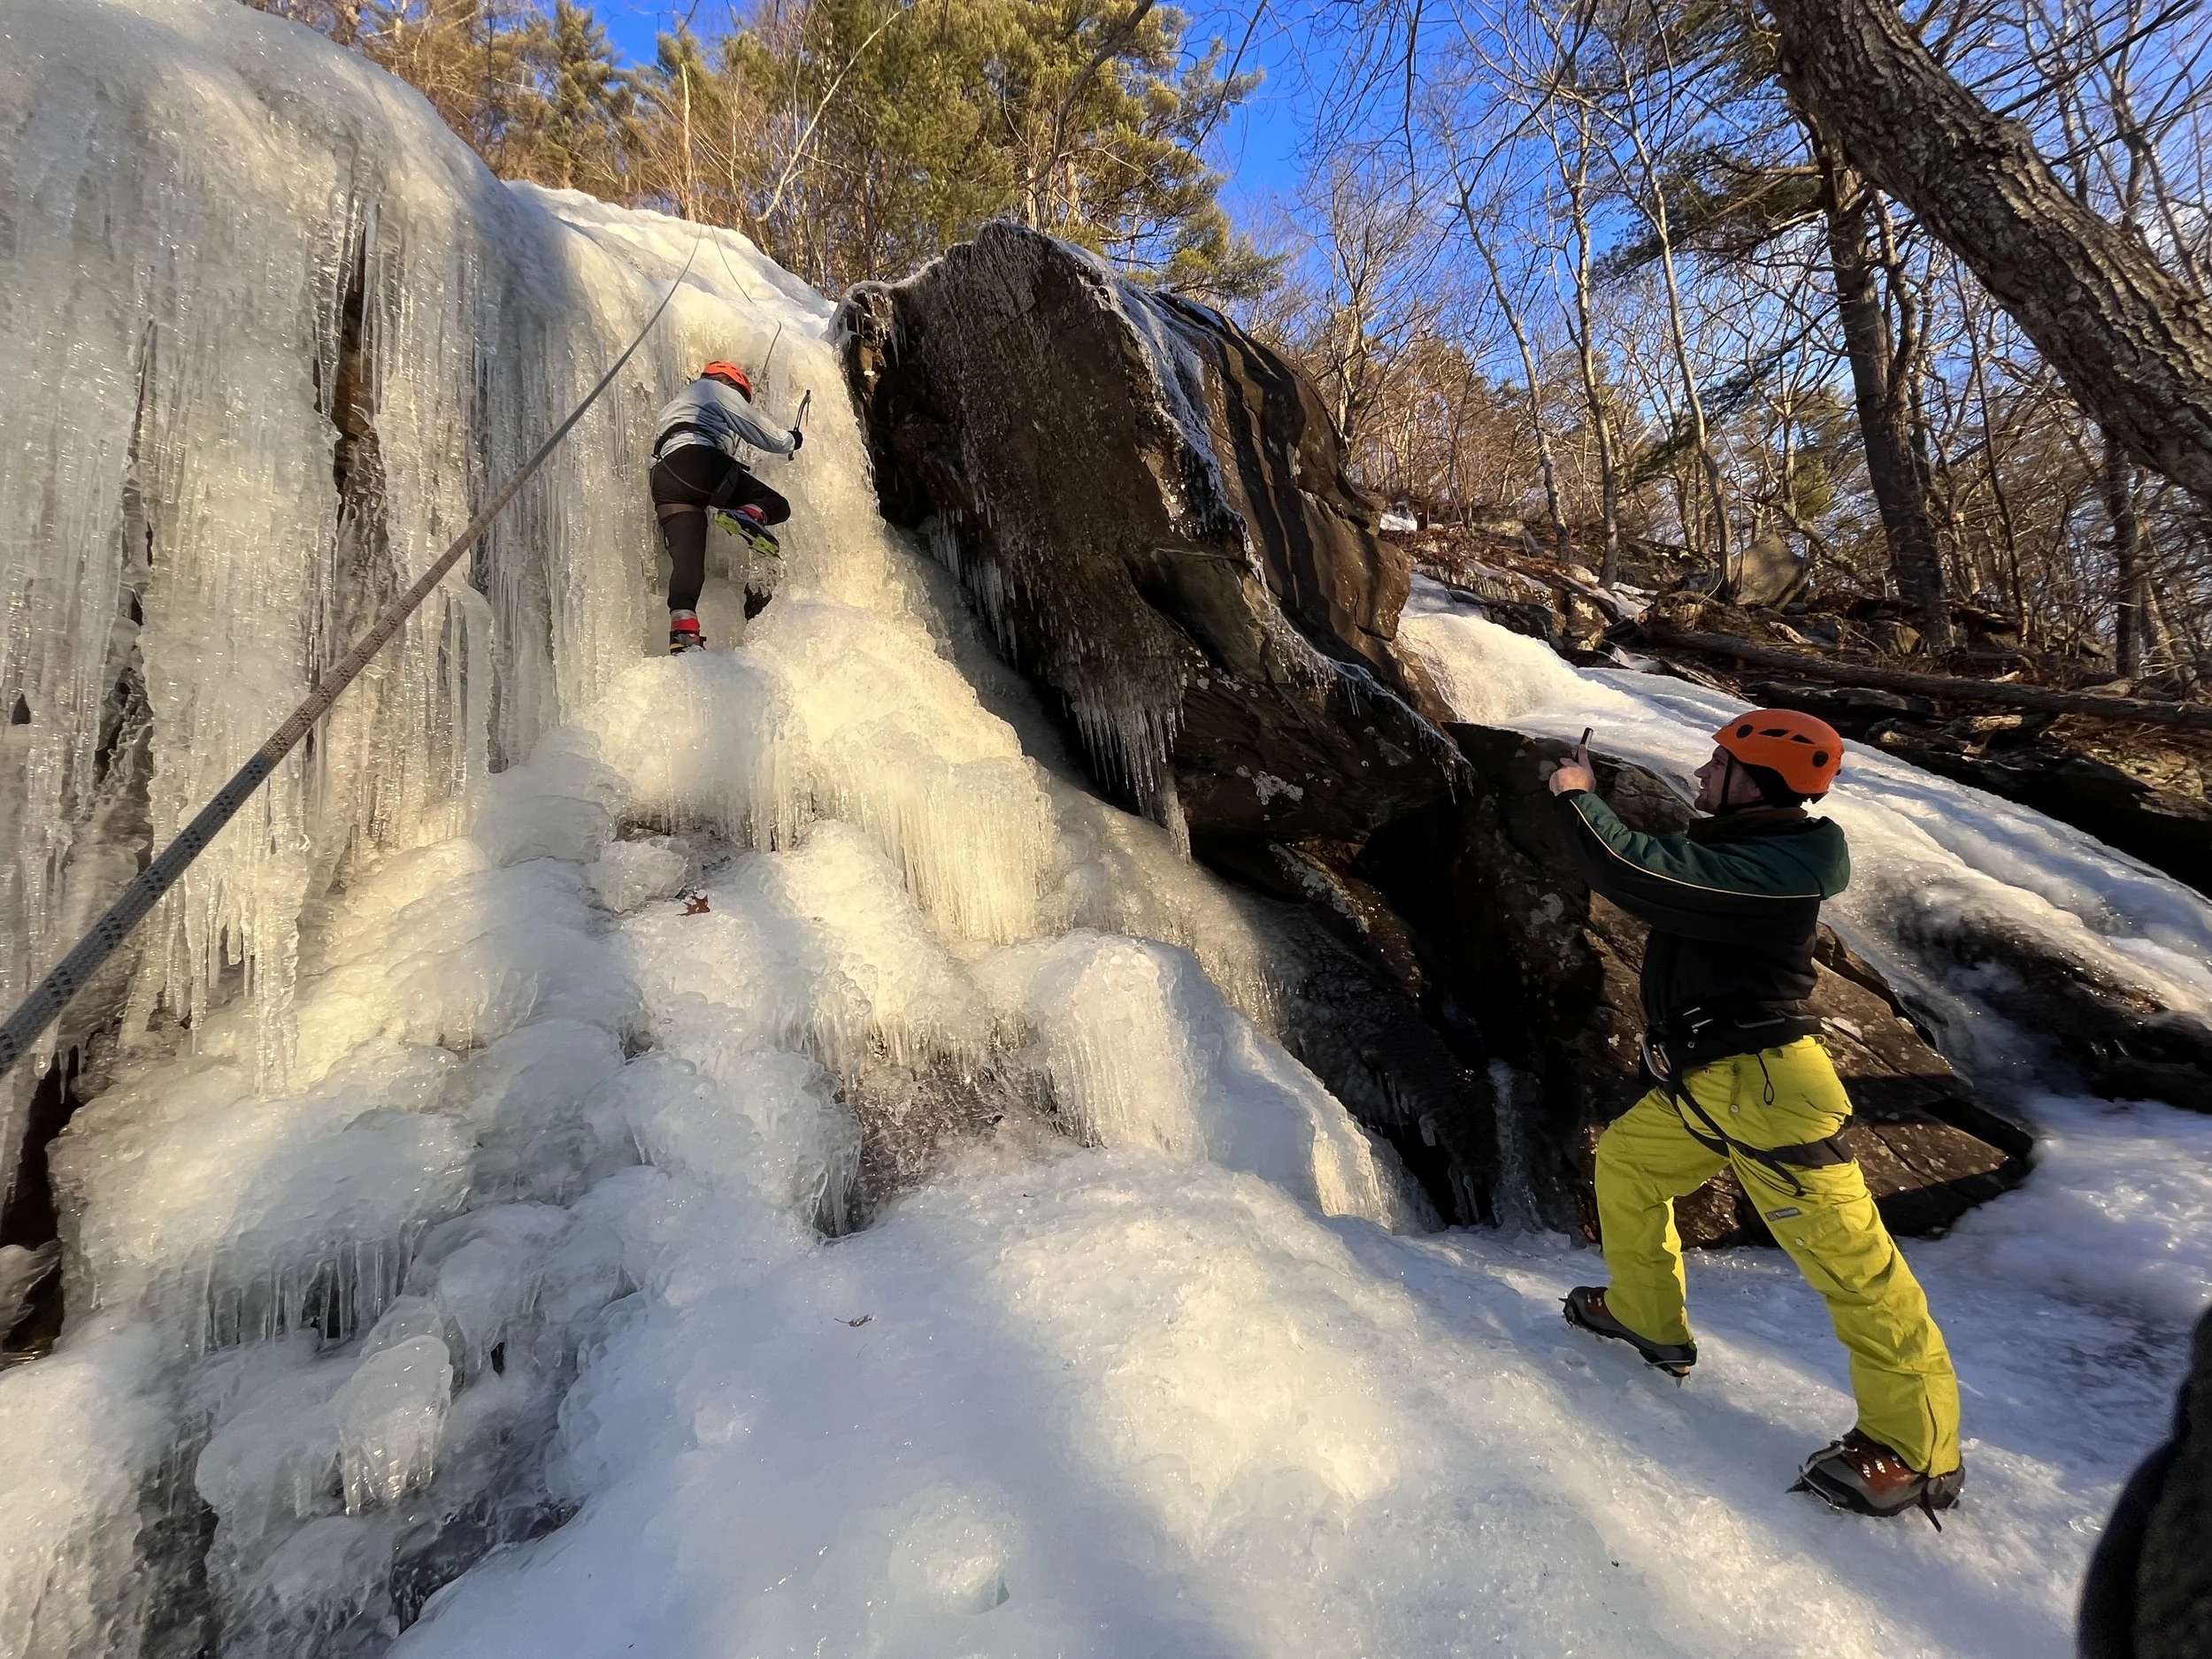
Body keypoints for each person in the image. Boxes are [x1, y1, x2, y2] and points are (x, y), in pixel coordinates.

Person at [1547, 710, 1964, 1525]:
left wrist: (1575, 796)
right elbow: (1670, 868)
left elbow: (1632, 870)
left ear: (1759, 780)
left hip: (1769, 1090)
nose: (1703, 774)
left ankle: (1917, 1450)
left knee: (1857, 1270)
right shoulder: (1750, 851)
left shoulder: (1782, 865)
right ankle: (1644, 1313)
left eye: (1719, 763)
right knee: (1627, 1164)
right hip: (1713, 1081)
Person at [650, 359, 803, 653]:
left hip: (665, 478)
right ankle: (747, 513)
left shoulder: (674, 407)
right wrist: (791, 440)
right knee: (777, 504)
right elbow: (764, 433)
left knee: (688, 563)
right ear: (732, 383)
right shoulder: (713, 389)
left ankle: (684, 634)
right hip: (697, 461)